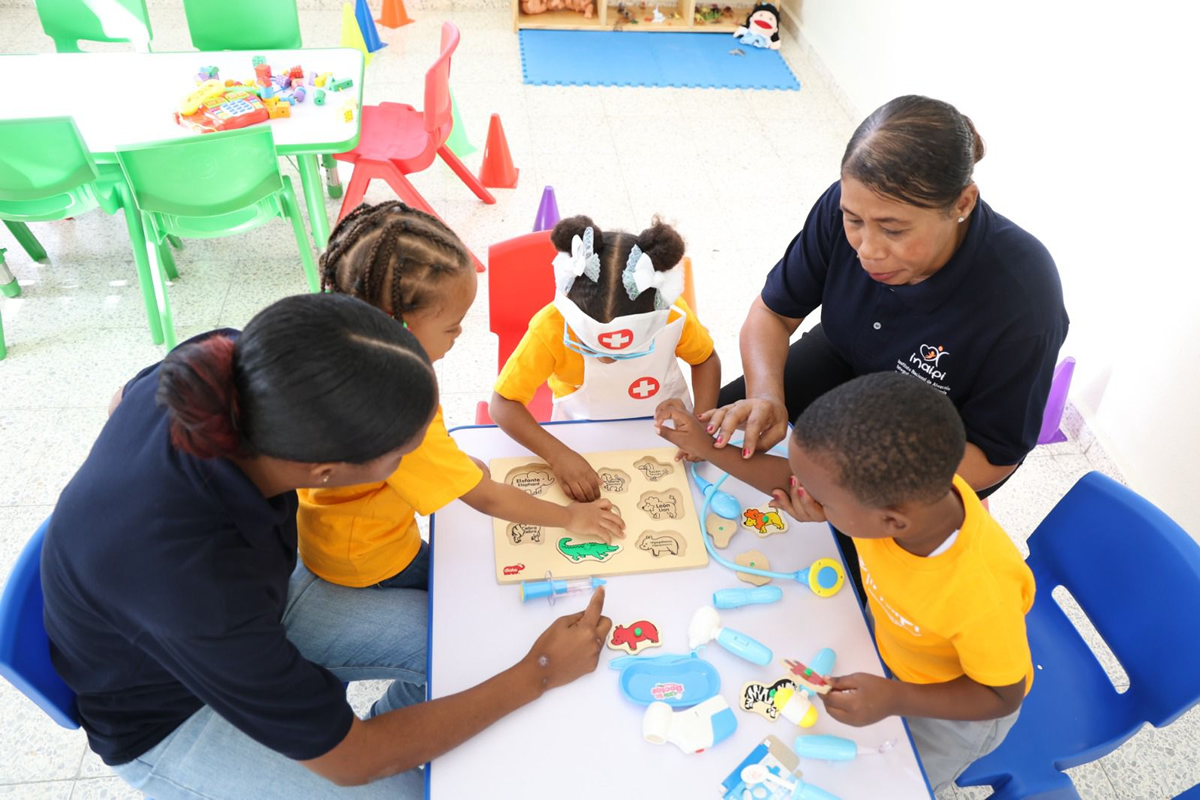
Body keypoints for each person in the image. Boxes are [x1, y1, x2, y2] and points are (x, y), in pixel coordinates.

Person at [41, 293, 612, 799]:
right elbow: (354, 762)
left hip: (252, 601)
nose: (408, 464)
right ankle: (331, 726)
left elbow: (121, 400)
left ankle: (348, 721)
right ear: (327, 472)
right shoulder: (197, 587)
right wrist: (536, 672)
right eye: (399, 458)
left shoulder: (232, 364)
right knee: (410, 791)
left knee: (457, 640)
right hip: (168, 716)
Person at [656, 373, 1035, 792]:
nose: (803, 497)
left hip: (951, 713)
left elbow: (1001, 696)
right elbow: (795, 481)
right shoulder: (909, 498)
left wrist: (896, 697)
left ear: (891, 522)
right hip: (890, 648)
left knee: (884, 784)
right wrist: (706, 446)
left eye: (822, 500)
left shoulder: (979, 593)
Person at [711, 95, 1068, 504]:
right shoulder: (848, 204)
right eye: (854, 221)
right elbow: (771, 313)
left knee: (843, 542)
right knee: (716, 446)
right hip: (844, 356)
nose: (867, 250)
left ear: (963, 204)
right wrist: (766, 396)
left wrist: (859, 488)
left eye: (893, 230)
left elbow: (995, 456)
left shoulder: (1023, 293)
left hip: (934, 434)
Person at [298, 202, 625, 591]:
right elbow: (487, 499)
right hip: (369, 558)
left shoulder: (342, 343)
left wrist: (453, 465)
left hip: (333, 527)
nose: (459, 336)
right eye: (452, 327)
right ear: (398, 325)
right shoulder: (396, 403)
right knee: (458, 600)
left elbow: (411, 461)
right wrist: (571, 518)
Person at [490, 215, 721, 501]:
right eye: (594, 350)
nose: (610, 361)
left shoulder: (673, 316)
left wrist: (700, 425)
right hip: (580, 435)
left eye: (630, 351)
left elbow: (705, 359)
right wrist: (557, 455)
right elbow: (503, 404)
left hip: (666, 435)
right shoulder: (551, 326)